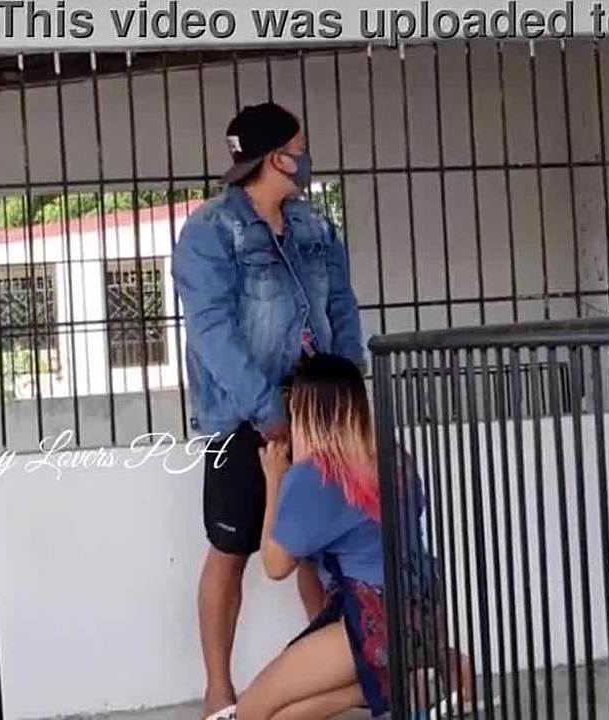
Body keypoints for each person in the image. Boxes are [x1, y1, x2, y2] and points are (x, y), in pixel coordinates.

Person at [172, 101, 366, 719]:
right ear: (273, 158)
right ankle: (219, 692)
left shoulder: (316, 229)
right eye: (298, 148)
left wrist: (345, 392)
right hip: (240, 418)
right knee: (231, 548)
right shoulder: (210, 232)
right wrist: (265, 410)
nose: (305, 159)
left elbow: (342, 309)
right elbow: (211, 333)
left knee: (319, 544)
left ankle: (336, 665)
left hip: (318, 411)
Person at [235, 353, 474, 720]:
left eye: (294, 409)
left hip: (372, 622)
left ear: (309, 414)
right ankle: (388, 684)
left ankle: (383, 685)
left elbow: (275, 565)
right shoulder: (394, 457)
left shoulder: (314, 475)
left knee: (252, 710)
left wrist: (275, 480)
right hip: (423, 613)